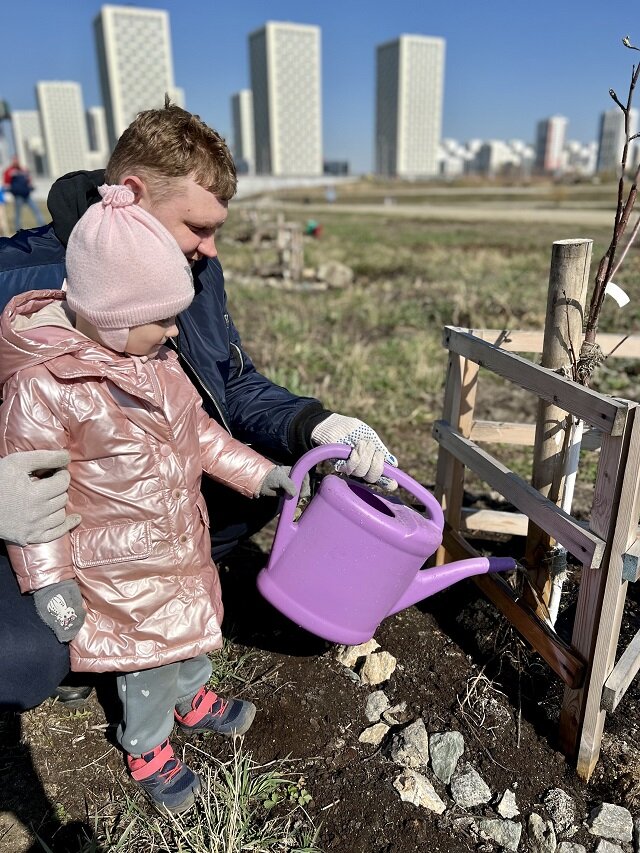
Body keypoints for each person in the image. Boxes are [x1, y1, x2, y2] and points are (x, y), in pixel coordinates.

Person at [0, 99, 397, 711]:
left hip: (147, 496)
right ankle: (97, 637)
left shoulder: (193, 272)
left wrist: (316, 425)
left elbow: (230, 382)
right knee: (23, 664)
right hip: (44, 527)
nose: (210, 248)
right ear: (132, 194)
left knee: (275, 463)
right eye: (198, 227)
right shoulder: (16, 278)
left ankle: (157, 606)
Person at [0, 185, 302, 814]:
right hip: (114, 563)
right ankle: (147, 743)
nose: (173, 331)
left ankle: (193, 697)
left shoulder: (158, 362)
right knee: (146, 660)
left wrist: (260, 474)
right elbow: (34, 507)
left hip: (176, 540)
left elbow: (202, 435)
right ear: (112, 313)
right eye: (162, 319)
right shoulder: (44, 387)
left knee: (194, 631)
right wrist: (50, 583)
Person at [2, 156, 45, 231]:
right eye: (15, 160)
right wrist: (10, 176)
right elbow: (6, 183)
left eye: (17, 160)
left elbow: (28, 180)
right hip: (18, 196)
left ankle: (42, 225)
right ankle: (17, 228)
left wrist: (30, 185)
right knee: (18, 213)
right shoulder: (9, 171)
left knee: (36, 209)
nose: (16, 162)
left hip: (27, 194)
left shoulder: (22, 170)